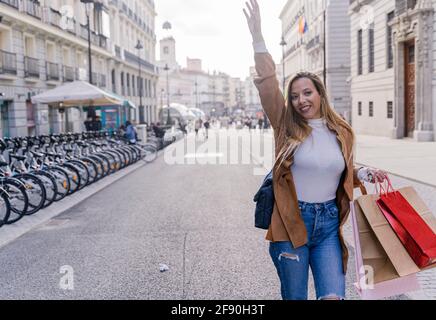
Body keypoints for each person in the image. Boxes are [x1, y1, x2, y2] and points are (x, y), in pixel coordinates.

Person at [244, 0, 388, 300]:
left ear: (320, 94)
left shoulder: (342, 130)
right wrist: (258, 38)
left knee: (334, 296)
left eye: (307, 92)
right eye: (295, 96)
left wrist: (362, 171)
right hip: (291, 223)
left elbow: (340, 164)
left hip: (328, 225)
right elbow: (268, 85)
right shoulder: (286, 125)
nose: (301, 100)